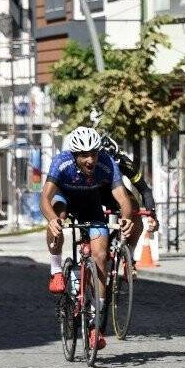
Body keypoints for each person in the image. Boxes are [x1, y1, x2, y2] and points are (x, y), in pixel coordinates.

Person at [41, 126, 136, 350]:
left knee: (101, 256)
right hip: (65, 199)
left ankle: (95, 324)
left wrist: (127, 217)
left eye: (93, 153)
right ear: (74, 155)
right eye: (84, 155)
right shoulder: (61, 163)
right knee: (58, 216)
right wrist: (52, 219)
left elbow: (122, 196)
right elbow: (45, 197)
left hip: (91, 205)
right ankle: (56, 270)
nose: (90, 159)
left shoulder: (106, 163)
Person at [99, 135, 158, 250]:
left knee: (133, 205)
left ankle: (129, 252)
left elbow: (144, 190)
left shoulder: (124, 162)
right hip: (94, 191)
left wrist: (151, 214)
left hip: (115, 191)